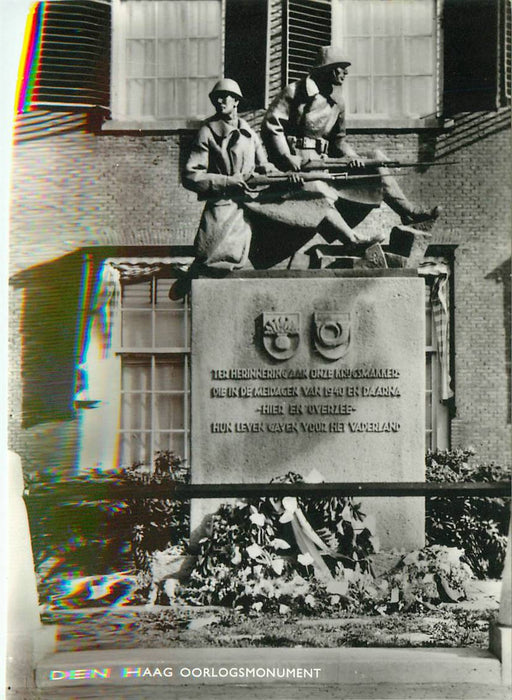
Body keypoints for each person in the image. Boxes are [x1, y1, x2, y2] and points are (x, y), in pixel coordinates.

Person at [260, 45, 440, 244]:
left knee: (376, 160)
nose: (346, 72)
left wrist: (353, 158)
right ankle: (352, 240)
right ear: (327, 69)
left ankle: (408, 211)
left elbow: (339, 141)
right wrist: (286, 157)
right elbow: (271, 126)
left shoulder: (338, 102)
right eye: (341, 67)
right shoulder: (295, 92)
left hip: (324, 161)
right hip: (297, 164)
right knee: (317, 190)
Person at [170, 79, 277, 299]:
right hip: (223, 206)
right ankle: (193, 278)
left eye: (224, 97)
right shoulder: (208, 132)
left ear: (236, 101)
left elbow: (265, 166)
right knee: (211, 256)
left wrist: (282, 175)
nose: (219, 101)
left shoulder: (250, 134)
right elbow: (191, 175)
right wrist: (227, 181)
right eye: (216, 98)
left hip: (250, 206)